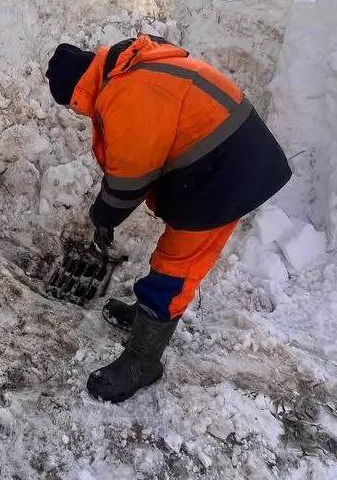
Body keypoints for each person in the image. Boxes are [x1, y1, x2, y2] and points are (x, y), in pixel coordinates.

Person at [45, 34, 291, 403]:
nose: (79, 111)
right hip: (223, 159)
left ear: (78, 90)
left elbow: (129, 178)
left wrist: (105, 217)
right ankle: (145, 321)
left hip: (227, 174)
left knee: (176, 266)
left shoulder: (126, 94)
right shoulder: (128, 67)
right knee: (172, 257)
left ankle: (143, 361)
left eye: (75, 105)